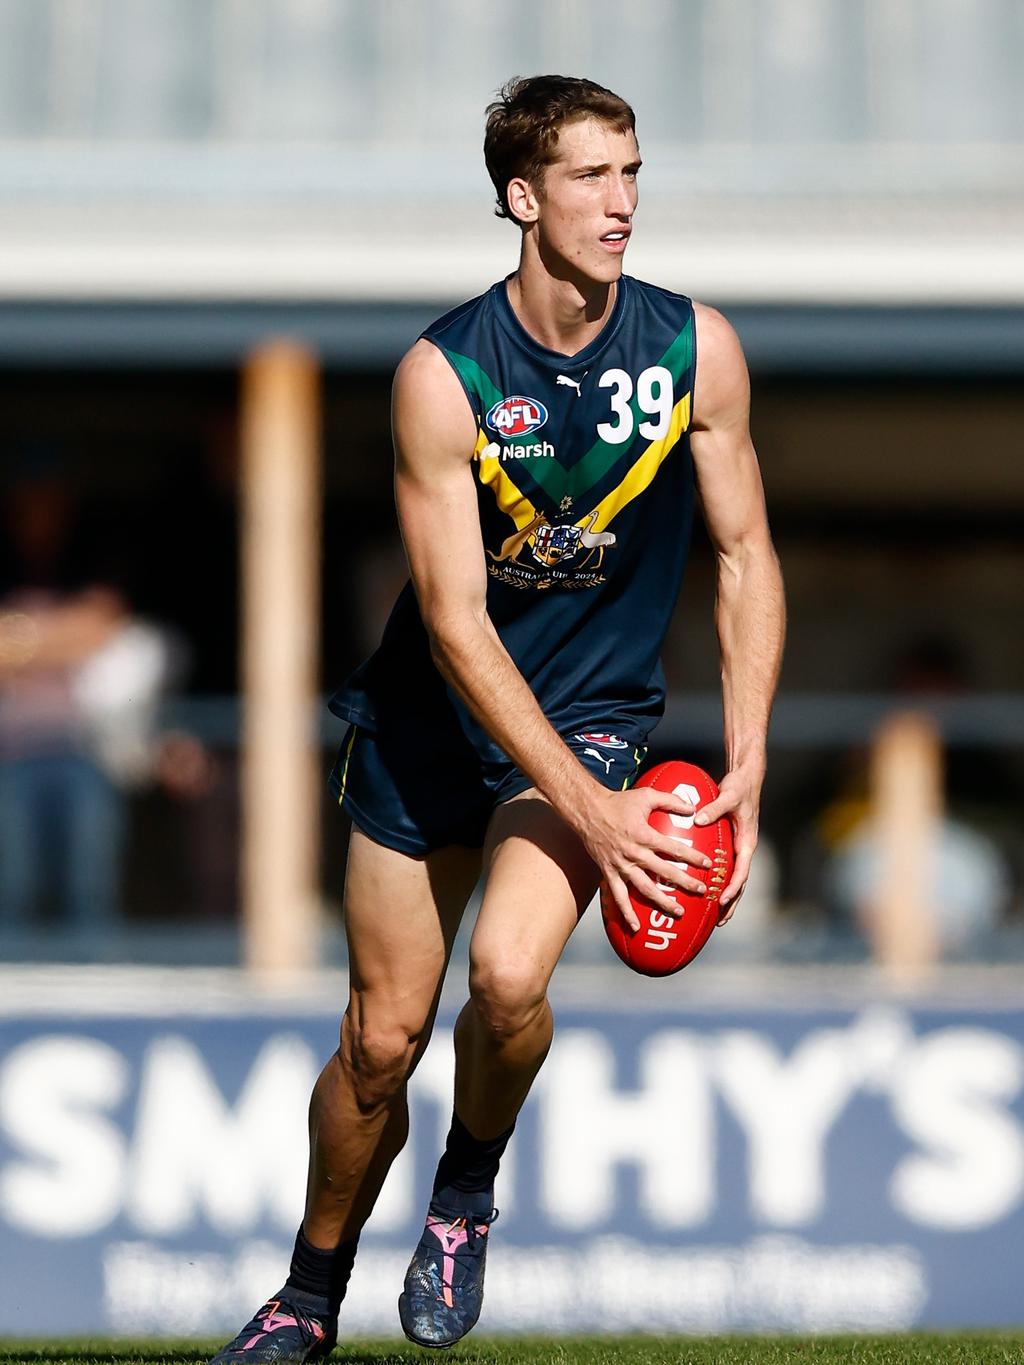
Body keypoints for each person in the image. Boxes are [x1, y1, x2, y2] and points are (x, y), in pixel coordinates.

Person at [210, 74, 785, 1362]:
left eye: (632, 172)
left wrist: (747, 760)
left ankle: (463, 1198)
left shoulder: (696, 347)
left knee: (512, 976)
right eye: (590, 177)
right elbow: (459, 628)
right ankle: (308, 1294)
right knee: (379, 1042)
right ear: (522, 198)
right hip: (428, 724)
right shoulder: (445, 373)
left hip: (589, 716)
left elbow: (745, 551)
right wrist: (600, 818)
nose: (622, 202)